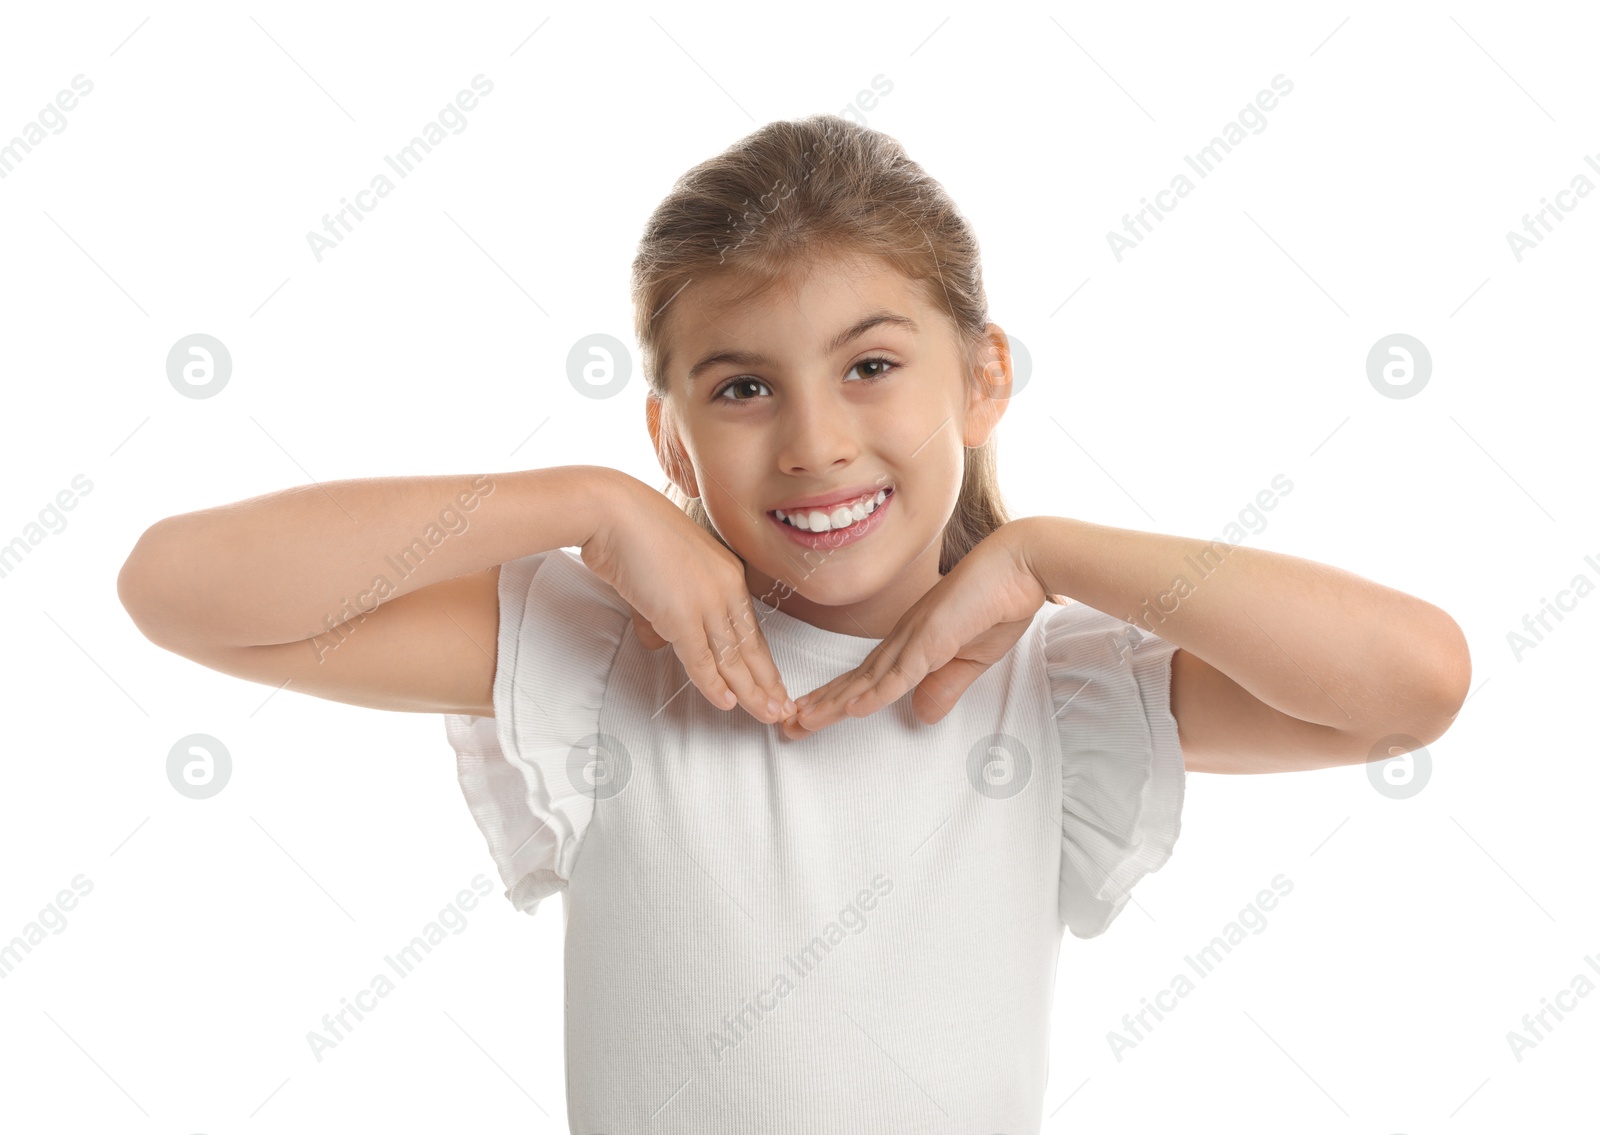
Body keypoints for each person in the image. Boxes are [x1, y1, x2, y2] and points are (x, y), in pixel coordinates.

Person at [117, 114, 1471, 1133]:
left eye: (872, 366)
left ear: (983, 375)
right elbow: (178, 589)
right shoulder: (604, 660)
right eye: (743, 388)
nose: (817, 443)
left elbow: (1413, 684)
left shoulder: (1055, 687)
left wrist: (1048, 555)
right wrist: (581, 503)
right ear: (671, 433)